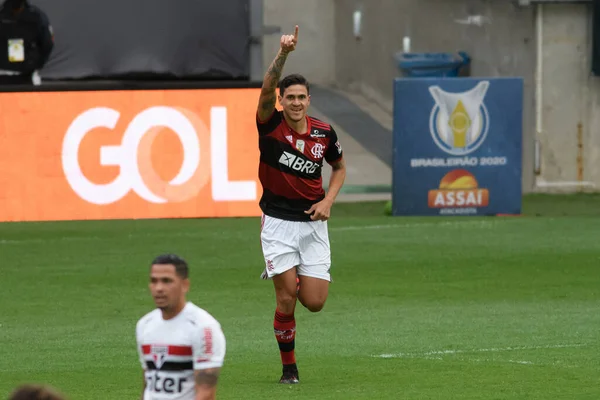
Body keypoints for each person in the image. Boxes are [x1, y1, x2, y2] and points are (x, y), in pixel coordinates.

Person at [256, 25, 346, 384]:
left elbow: (339, 168)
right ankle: (289, 369)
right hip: (277, 222)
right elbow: (264, 88)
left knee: (315, 301)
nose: (294, 102)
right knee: (286, 300)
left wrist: (329, 199)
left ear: (308, 100)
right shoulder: (269, 125)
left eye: (300, 97)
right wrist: (283, 53)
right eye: (288, 97)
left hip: (313, 223)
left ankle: (294, 277)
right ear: (281, 100)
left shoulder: (324, 133)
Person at [136, 254, 226, 400]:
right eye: (154, 281)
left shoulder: (203, 328)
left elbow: (206, 393)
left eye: (167, 281)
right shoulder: (144, 324)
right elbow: (148, 384)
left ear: (185, 285)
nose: (159, 288)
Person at [0, 0, 54, 85]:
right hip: (3, 76)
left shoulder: (36, 17)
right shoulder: (2, 15)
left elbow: (47, 44)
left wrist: (35, 64)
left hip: (26, 76)